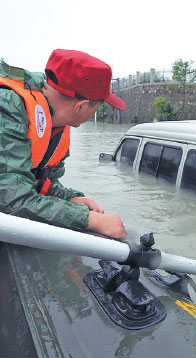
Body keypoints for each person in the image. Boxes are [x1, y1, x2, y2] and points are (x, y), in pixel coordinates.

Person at [0, 49, 127, 239]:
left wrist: (69, 198)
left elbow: (39, 181)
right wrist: (89, 219)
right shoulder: (8, 111)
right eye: (97, 108)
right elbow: (10, 198)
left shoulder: (56, 125)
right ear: (81, 106)